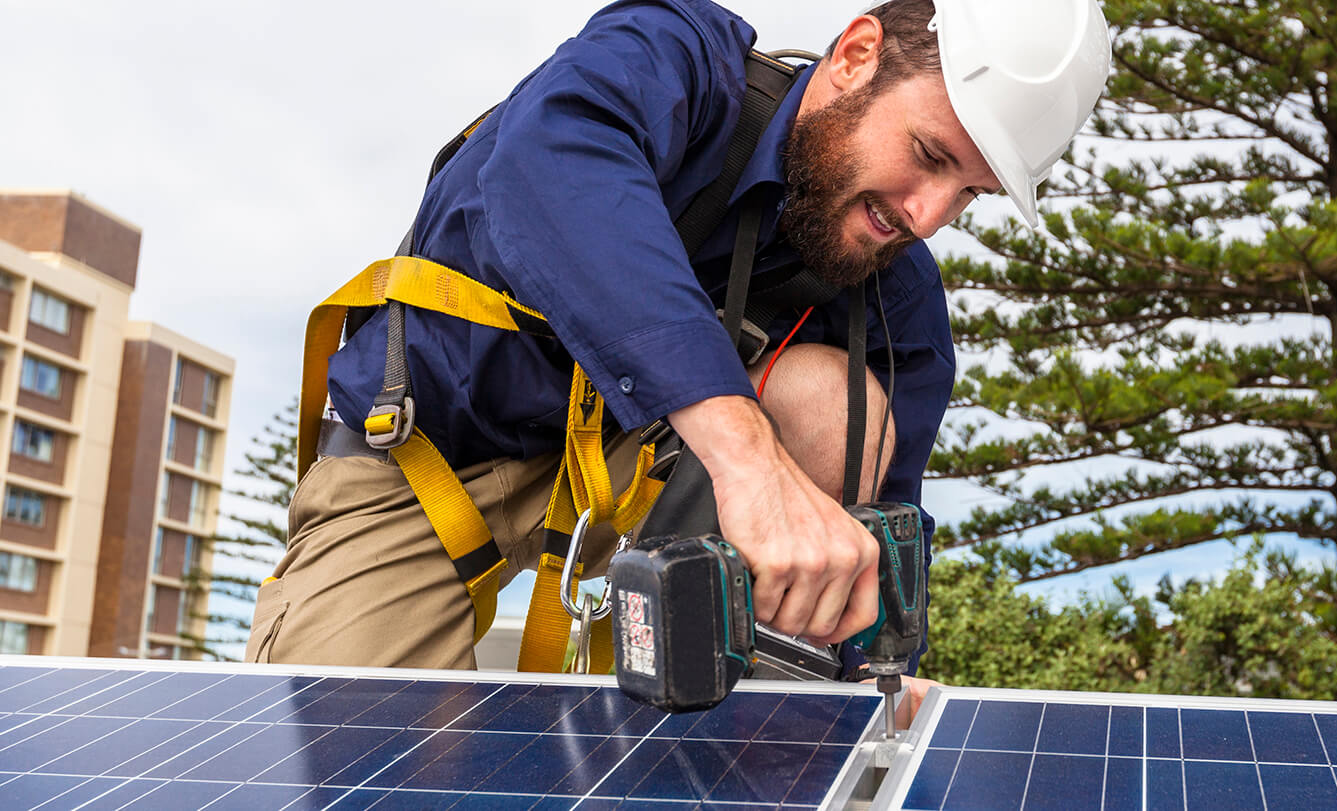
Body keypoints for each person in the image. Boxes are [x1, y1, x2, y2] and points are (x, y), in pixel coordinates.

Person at [251, 0, 1109, 721]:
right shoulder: (674, 60)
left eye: (969, 192)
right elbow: (550, 171)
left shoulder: (896, 295)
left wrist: (874, 676)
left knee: (836, 403)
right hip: (426, 460)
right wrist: (746, 461)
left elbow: (878, 537)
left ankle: (703, 741)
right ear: (855, 55)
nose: (927, 215)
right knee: (359, 762)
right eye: (929, 155)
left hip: (647, 499)